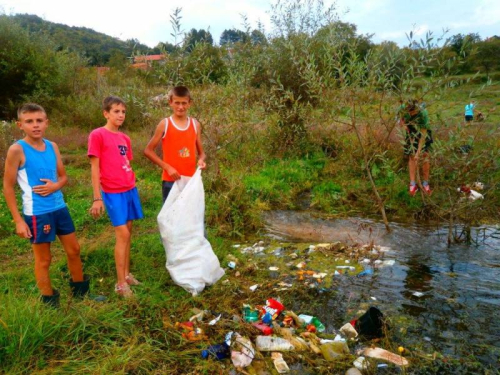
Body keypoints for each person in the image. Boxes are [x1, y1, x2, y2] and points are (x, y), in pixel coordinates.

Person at [3, 103, 89, 307]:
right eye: (29, 121)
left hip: (59, 207)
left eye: (39, 121)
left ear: (46, 123)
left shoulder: (53, 146)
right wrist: (18, 221)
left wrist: (55, 186)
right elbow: (7, 186)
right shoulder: (17, 150)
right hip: (37, 213)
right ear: (20, 125)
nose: (35, 125)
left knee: (74, 250)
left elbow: (63, 177)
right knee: (44, 260)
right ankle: (49, 302)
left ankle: (81, 294)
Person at [88, 96, 143, 298]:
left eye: (123, 112)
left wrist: (132, 181)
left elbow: (125, 162)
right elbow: (95, 168)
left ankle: (126, 274)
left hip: (129, 189)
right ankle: (120, 284)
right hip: (112, 192)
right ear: (106, 113)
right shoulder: (98, 135)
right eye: (116, 111)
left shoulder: (125, 138)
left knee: (129, 231)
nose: (120, 115)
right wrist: (97, 198)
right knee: (122, 234)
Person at [144, 86, 206, 202]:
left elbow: (202, 153)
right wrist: (167, 167)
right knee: (170, 217)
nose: (180, 107)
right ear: (170, 102)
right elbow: (148, 150)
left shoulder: (195, 124)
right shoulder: (165, 124)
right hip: (170, 181)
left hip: (190, 180)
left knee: (188, 216)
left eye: (184, 103)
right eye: (177, 103)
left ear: (189, 103)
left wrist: (201, 160)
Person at [401, 99, 433, 196]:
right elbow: (399, 118)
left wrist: (418, 152)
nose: (410, 114)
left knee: (424, 155)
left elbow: (423, 136)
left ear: (417, 109)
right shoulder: (403, 108)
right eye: (408, 112)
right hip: (411, 131)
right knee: (411, 156)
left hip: (423, 132)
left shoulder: (423, 114)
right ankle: (413, 184)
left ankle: (425, 183)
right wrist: (404, 125)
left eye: (413, 112)